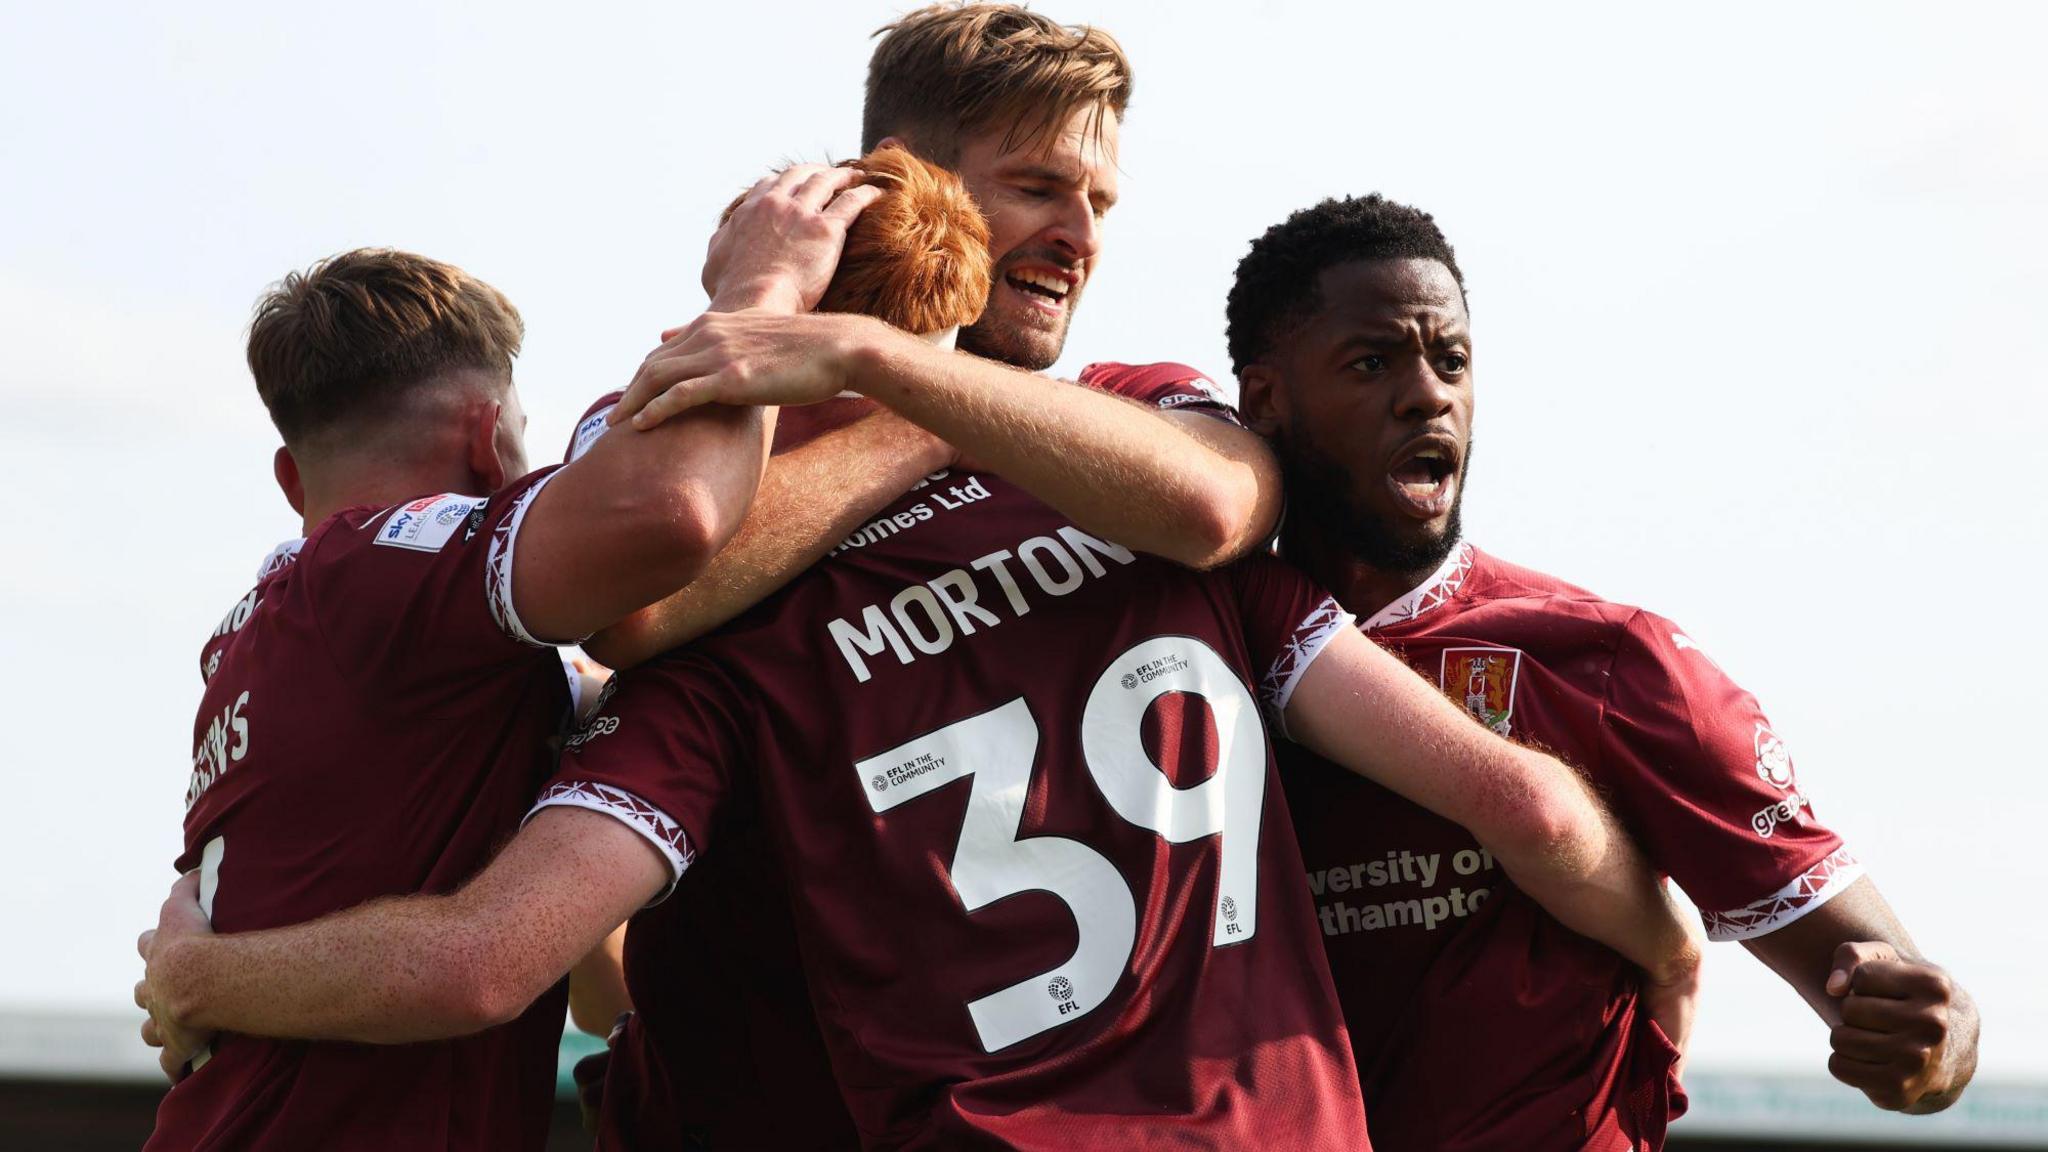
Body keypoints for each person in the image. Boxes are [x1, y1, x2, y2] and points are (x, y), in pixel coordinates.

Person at [137, 84, 1702, 1152]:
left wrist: (212, 976)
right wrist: (1670, 952)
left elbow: (526, 953)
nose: (1078, 229)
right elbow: (1513, 800)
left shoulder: (705, 659)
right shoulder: (1150, 501)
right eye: (1049, 191)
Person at [1227, 193, 1982, 1151]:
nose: (1429, 395)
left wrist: (1933, 1037)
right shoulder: (1191, 659)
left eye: (1451, 361)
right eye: (1372, 363)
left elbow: (1899, 997)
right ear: (1263, 402)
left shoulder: (1612, 662)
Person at [144, 248, 776, 1150]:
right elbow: (666, 516)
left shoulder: (261, 642)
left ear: (291, 480)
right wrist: (763, 295)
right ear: (489, 444)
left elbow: (592, 979)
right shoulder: (366, 573)